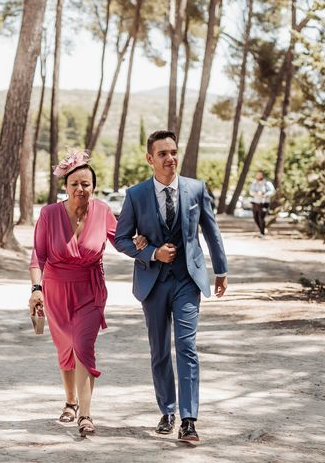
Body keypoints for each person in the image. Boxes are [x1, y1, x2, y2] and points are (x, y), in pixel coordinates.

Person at [114, 130, 228, 442]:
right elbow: (121, 239)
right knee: (160, 350)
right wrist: (151, 252)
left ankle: (189, 420)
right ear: (150, 159)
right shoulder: (136, 195)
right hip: (152, 282)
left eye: (173, 152)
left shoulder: (195, 188)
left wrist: (221, 270)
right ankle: (167, 409)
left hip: (187, 280)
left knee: (187, 348)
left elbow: (211, 231)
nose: (170, 158)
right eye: (162, 153)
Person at [28, 149, 147, 437]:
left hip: (91, 291)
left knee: (83, 348)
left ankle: (86, 414)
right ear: (65, 187)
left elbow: (120, 242)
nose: (80, 189)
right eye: (74, 184)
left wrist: (141, 244)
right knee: (65, 349)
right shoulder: (49, 214)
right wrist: (36, 289)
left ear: (93, 187)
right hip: (56, 290)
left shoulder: (103, 211)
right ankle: (70, 401)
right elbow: (38, 256)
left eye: (86, 184)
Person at [249, 170, 275, 238]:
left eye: (260, 175)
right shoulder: (254, 183)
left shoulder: (267, 183)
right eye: (257, 175)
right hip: (255, 202)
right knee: (256, 218)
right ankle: (262, 229)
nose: (258, 176)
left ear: (262, 175)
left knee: (261, 218)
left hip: (264, 203)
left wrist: (265, 194)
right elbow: (251, 191)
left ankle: (262, 233)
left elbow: (272, 191)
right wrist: (256, 193)